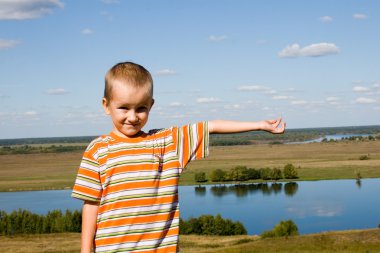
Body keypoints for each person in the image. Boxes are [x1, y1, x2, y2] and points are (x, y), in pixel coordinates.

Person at [72, 62, 286, 253]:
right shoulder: (98, 150)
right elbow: (91, 204)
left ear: (151, 105)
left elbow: (211, 126)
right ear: (105, 105)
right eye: (124, 108)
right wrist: (85, 250)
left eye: (141, 108)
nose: (133, 116)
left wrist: (259, 125)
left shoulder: (168, 143)